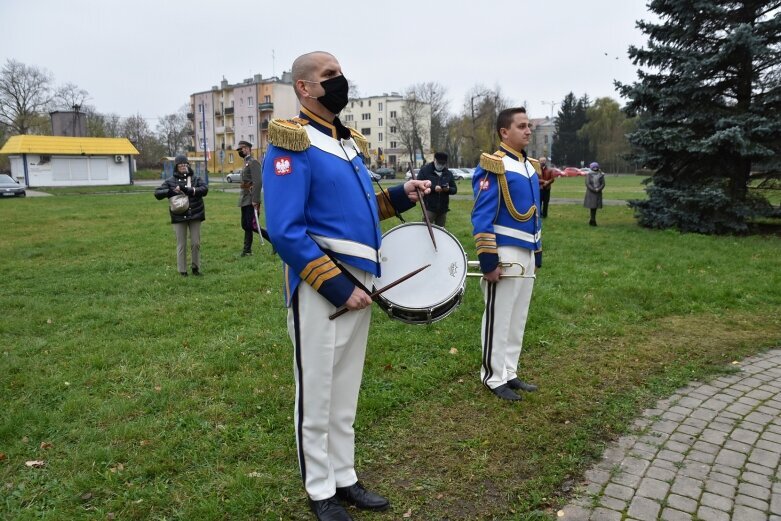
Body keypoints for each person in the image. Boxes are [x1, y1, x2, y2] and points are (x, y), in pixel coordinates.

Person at [262, 51, 431, 521]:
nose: (340, 82)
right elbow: (285, 230)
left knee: (345, 389)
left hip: (361, 279)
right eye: (328, 76)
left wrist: (400, 196)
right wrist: (337, 286)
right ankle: (320, 491)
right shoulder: (290, 142)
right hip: (322, 285)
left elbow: (352, 213)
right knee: (316, 391)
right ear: (304, 87)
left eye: (340, 74)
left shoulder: (346, 142)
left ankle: (344, 476)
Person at [471, 107, 542, 402]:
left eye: (529, 126)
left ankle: (509, 371)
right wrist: (489, 260)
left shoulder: (529, 166)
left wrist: (537, 251)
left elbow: (535, 214)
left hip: (526, 250)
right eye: (521, 126)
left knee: (517, 316)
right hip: (504, 251)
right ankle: (492, 376)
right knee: (499, 316)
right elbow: (481, 216)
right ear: (504, 132)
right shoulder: (493, 165)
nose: (528, 131)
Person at [154, 155, 208, 276]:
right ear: (177, 167)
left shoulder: (196, 179)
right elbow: (157, 193)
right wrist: (169, 192)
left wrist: (190, 190)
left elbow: (204, 190)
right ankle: (182, 270)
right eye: (181, 165)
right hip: (178, 215)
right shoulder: (170, 181)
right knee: (181, 244)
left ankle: (196, 268)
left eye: (185, 164)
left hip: (195, 214)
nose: (183, 166)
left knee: (195, 243)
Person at [415, 151, 457, 227]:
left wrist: (448, 189)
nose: (440, 165)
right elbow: (418, 185)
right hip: (429, 207)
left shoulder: (448, 173)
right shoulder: (425, 171)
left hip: (443, 209)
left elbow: (454, 189)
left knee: (441, 231)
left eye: (443, 164)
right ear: (434, 160)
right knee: (425, 229)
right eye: (439, 163)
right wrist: (434, 188)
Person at [236, 140, 262, 256]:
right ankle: (247, 250)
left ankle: (247, 250)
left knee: (251, 225)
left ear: (247, 149)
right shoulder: (245, 162)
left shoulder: (253, 162)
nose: (240, 151)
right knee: (246, 224)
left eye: (241, 149)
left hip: (251, 197)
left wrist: (255, 200)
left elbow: (258, 182)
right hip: (244, 197)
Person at [584, 161, 605, 226]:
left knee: (595, 207)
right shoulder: (589, 175)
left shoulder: (601, 175)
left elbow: (603, 184)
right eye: (594, 167)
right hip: (591, 193)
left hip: (598, 193)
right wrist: (594, 189)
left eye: (596, 167)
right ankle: (592, 220)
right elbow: (588, 184)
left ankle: (592, 220)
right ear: (591, 168)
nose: (595, 168)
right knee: (592, 207)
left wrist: (598, 189)